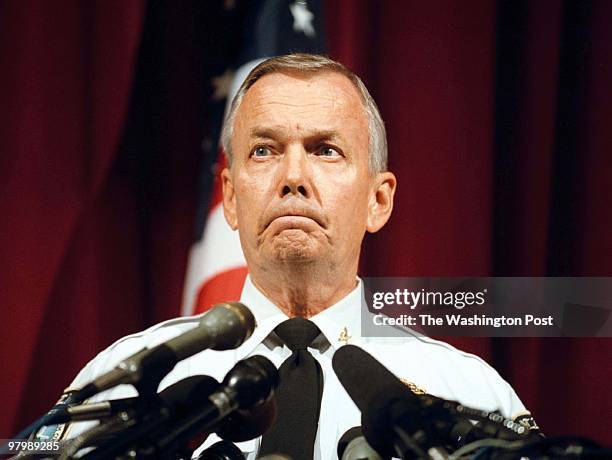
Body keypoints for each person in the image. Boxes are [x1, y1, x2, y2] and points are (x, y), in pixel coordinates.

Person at [54, 54, 535, 459]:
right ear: (233, 199)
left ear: (378, 200)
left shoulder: (469, 395)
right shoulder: (132, 382)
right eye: (264, 150)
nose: (293, 176)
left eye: (326, 150)